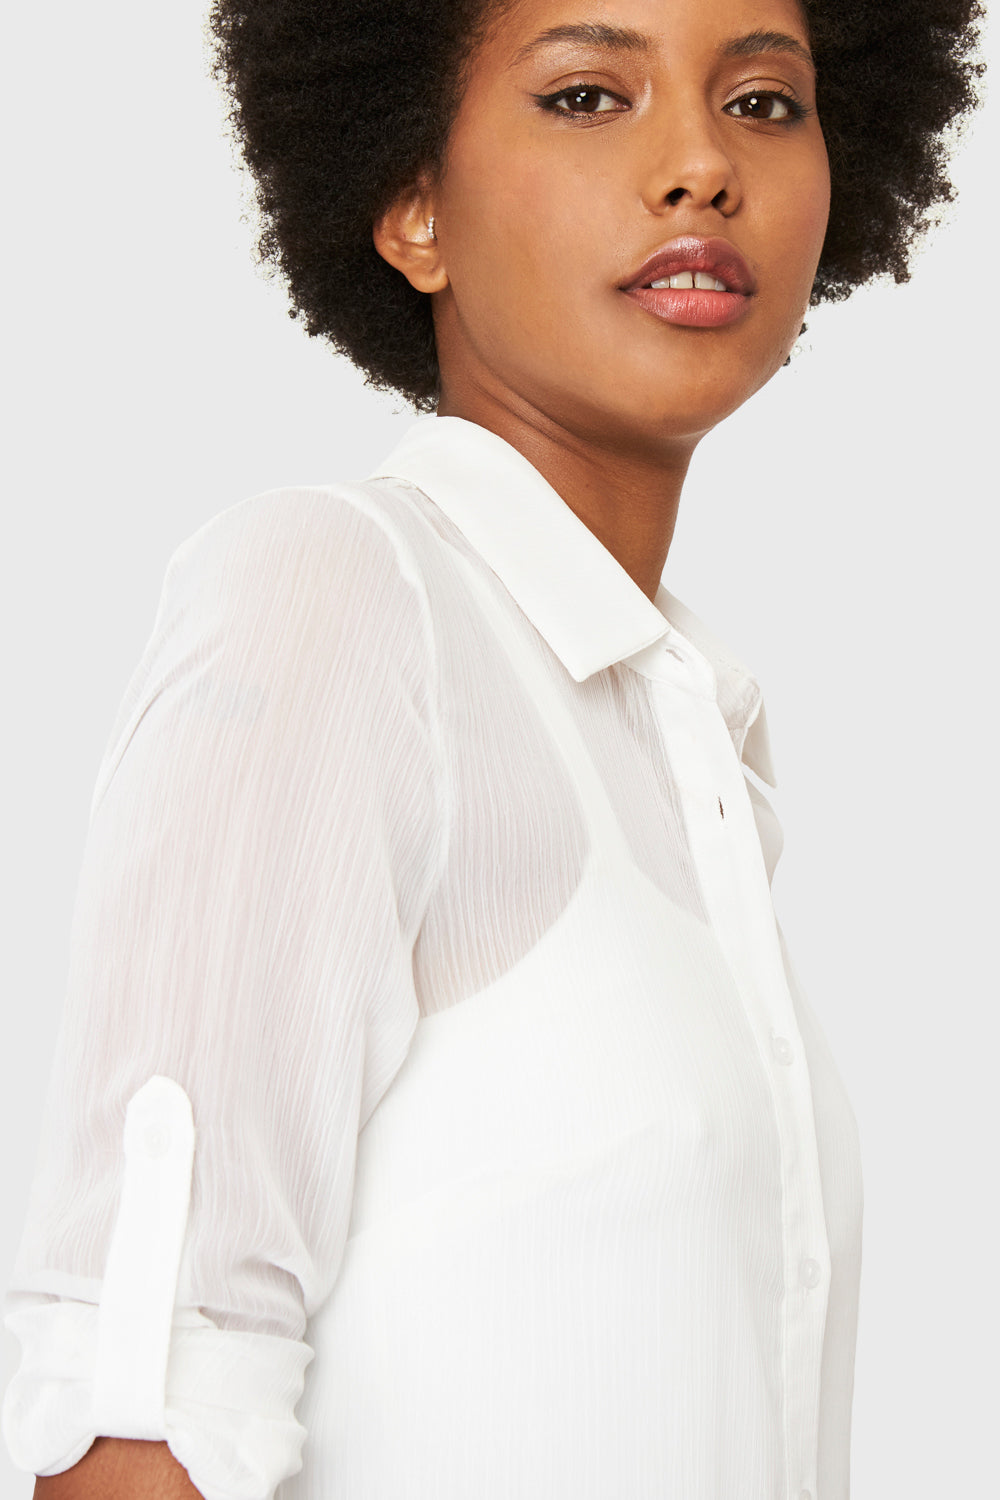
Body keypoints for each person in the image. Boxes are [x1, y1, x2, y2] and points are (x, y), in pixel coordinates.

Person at [2, 0, 983, 1496]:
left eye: (764, 103)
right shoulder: (338, 599)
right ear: (415, 210)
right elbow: (139, 1417)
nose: (702, 165)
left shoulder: (690, 742)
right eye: (588, 95)